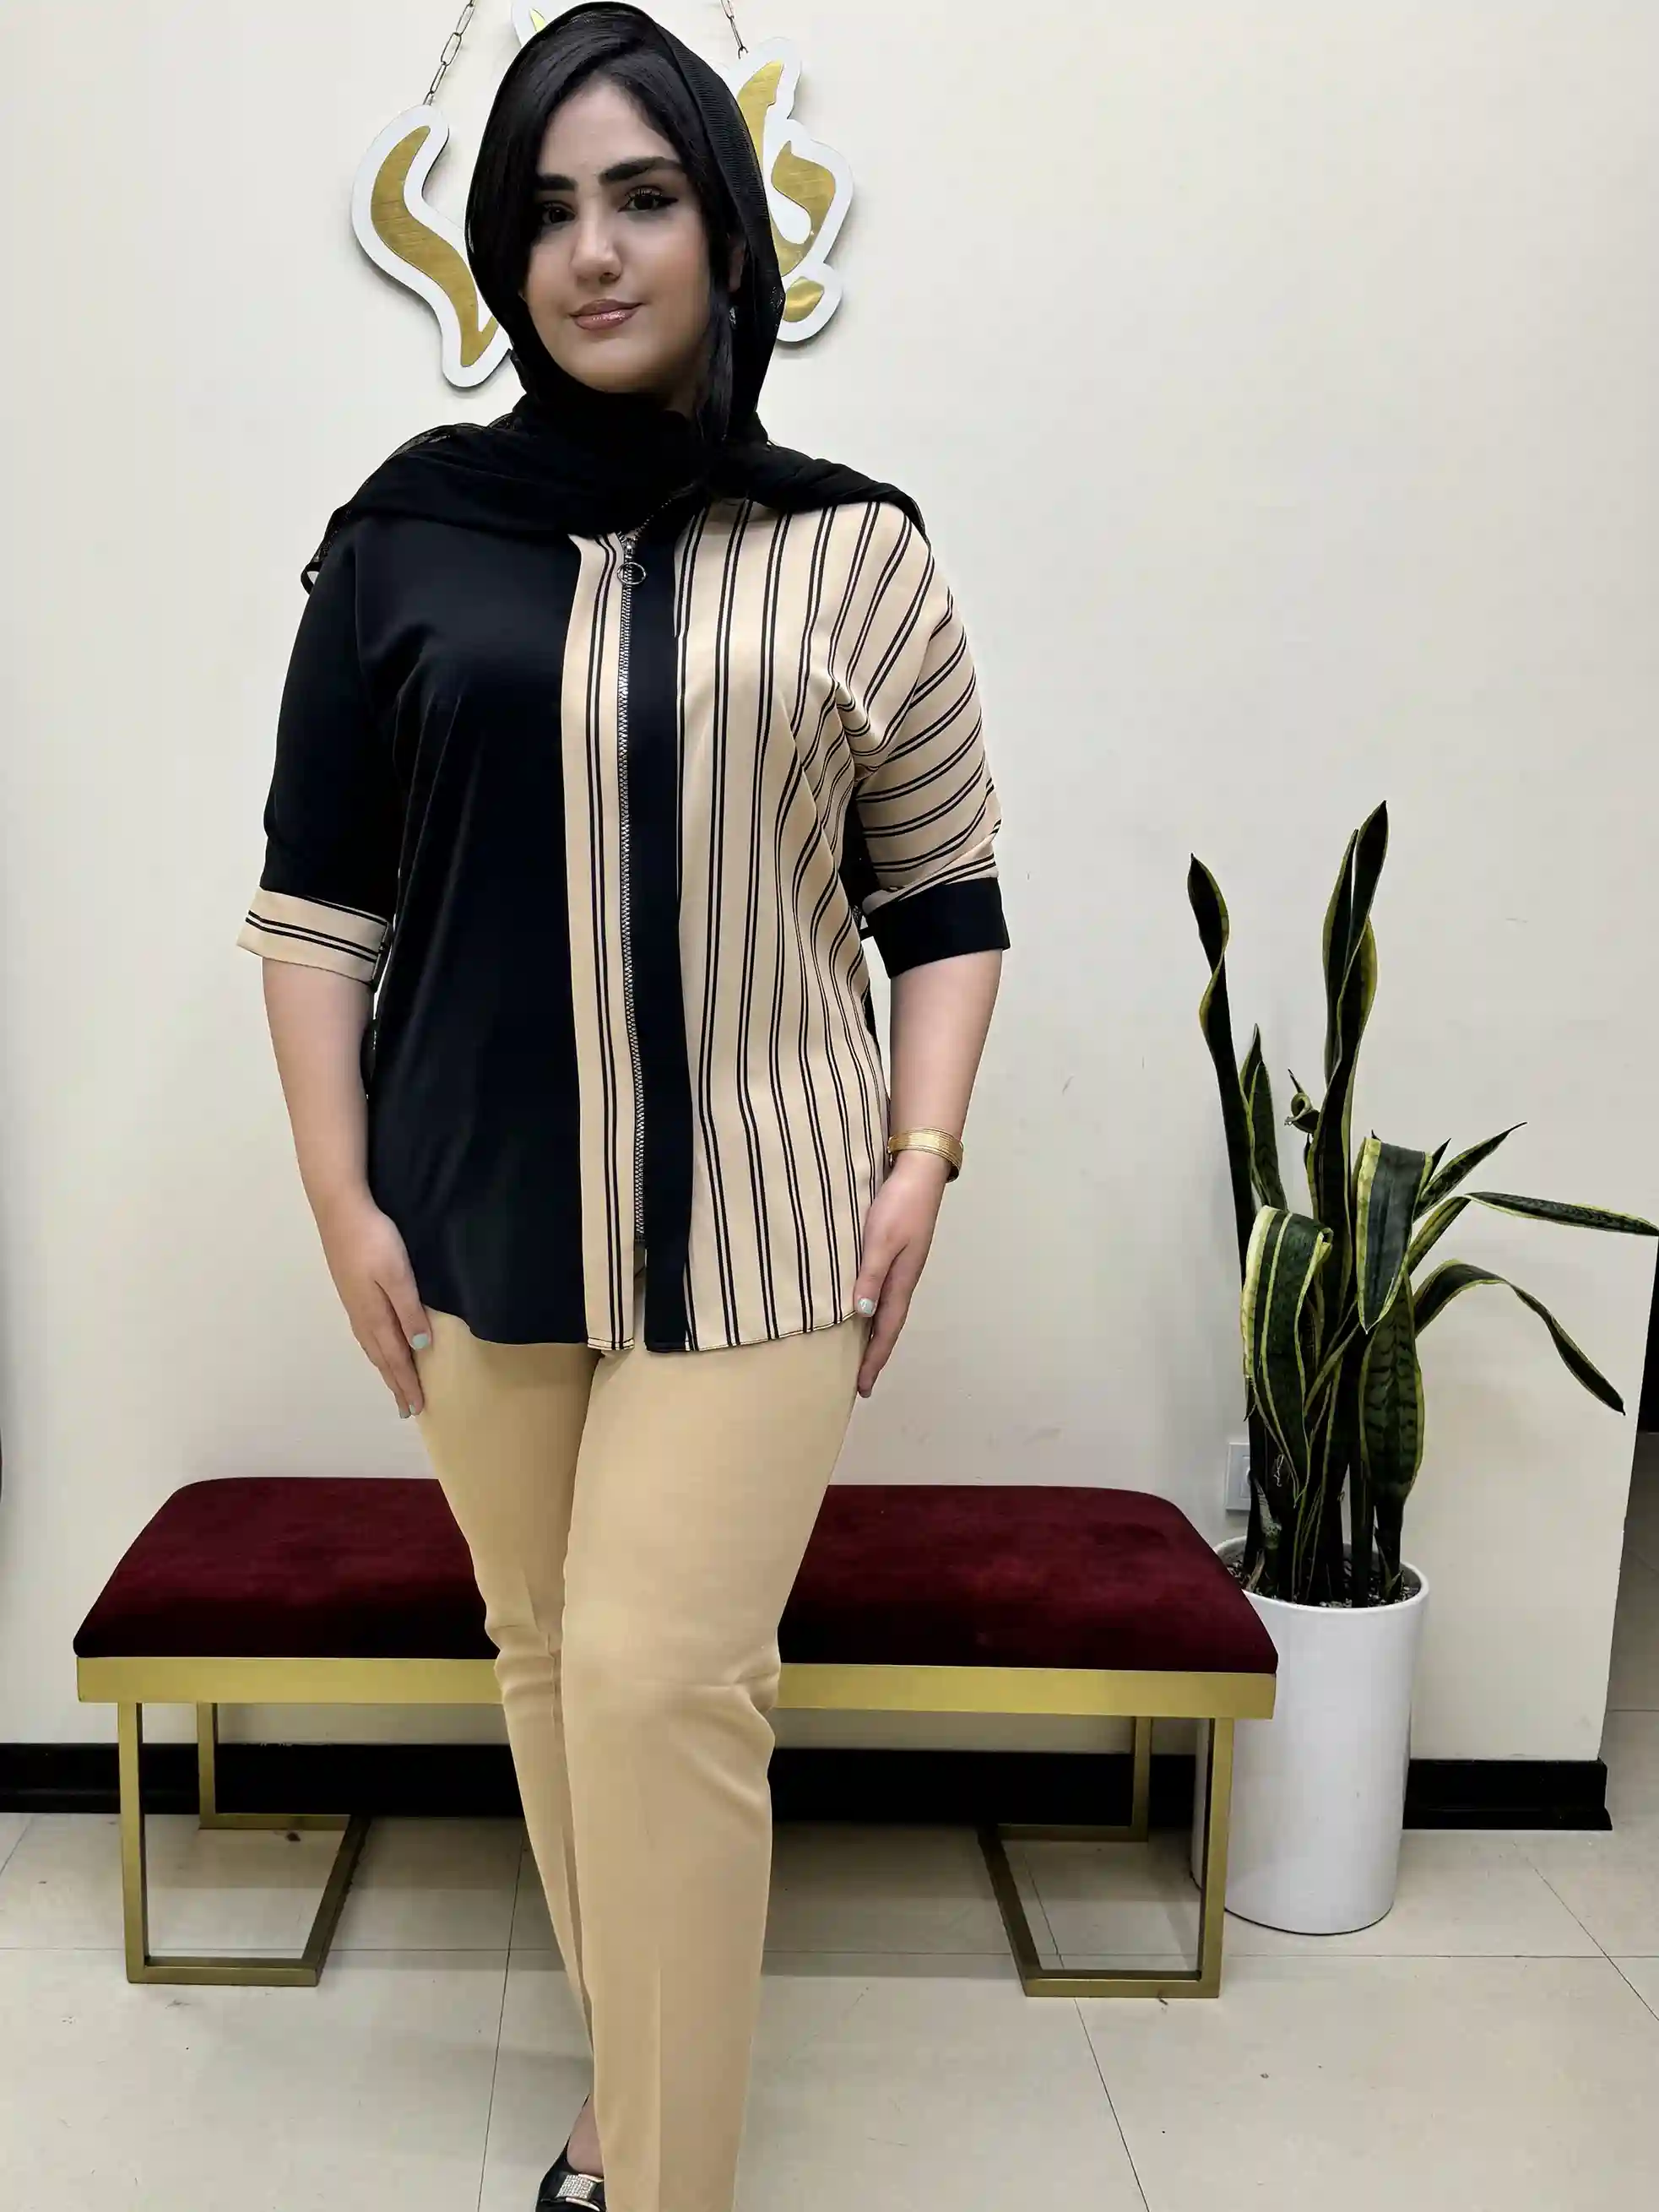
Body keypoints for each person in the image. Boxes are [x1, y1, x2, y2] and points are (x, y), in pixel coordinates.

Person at [236, 6, 1006, 2207]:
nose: (596, 251)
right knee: (552, 1661)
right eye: (551, 209)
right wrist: (340, 1205)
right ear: (503, 250)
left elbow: (945, 900)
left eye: (644, 198)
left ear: (723, 232)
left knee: (666, 1678)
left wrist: (919, 1163)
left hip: (769, 1208)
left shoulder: (856, 550)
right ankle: (629, 2093)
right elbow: (315, 909)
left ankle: (663, 2178)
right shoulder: (401, 541)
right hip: (477, 1210)